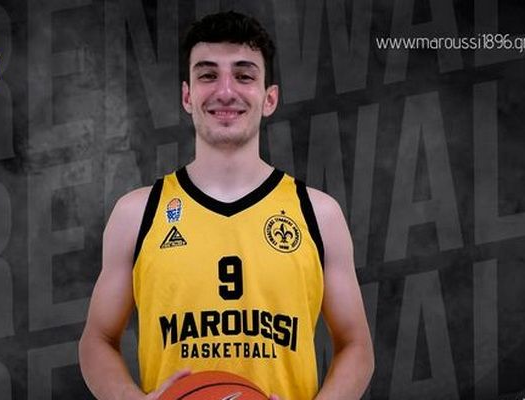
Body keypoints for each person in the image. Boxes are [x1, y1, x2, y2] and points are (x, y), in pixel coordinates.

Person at [79, 11, 374, 400]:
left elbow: (356, 344)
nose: (225, 91)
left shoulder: (318, 214)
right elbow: (97, 338)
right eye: (207, 75)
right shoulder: (138, 213)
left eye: (244, 76)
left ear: (270, 99)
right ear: (187, 96)